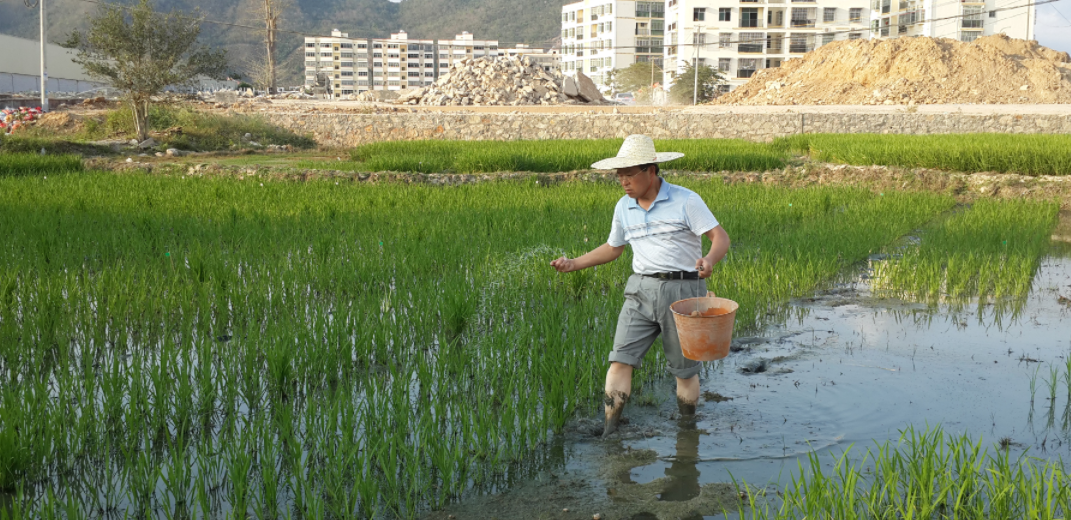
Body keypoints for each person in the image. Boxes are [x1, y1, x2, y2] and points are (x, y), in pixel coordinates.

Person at [550, 134, 730, 437]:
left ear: (651, 170)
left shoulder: (686, 200)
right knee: (619, 360)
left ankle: (687, 430)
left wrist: (710, 260)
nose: (624, 182)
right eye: (619, 176)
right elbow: (613, 248)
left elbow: (719, 237)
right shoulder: (624, 207)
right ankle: (610, 430)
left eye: (630, 174)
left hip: (684, 292)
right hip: (640, 291)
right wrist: (574, 263)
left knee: (684, 371)